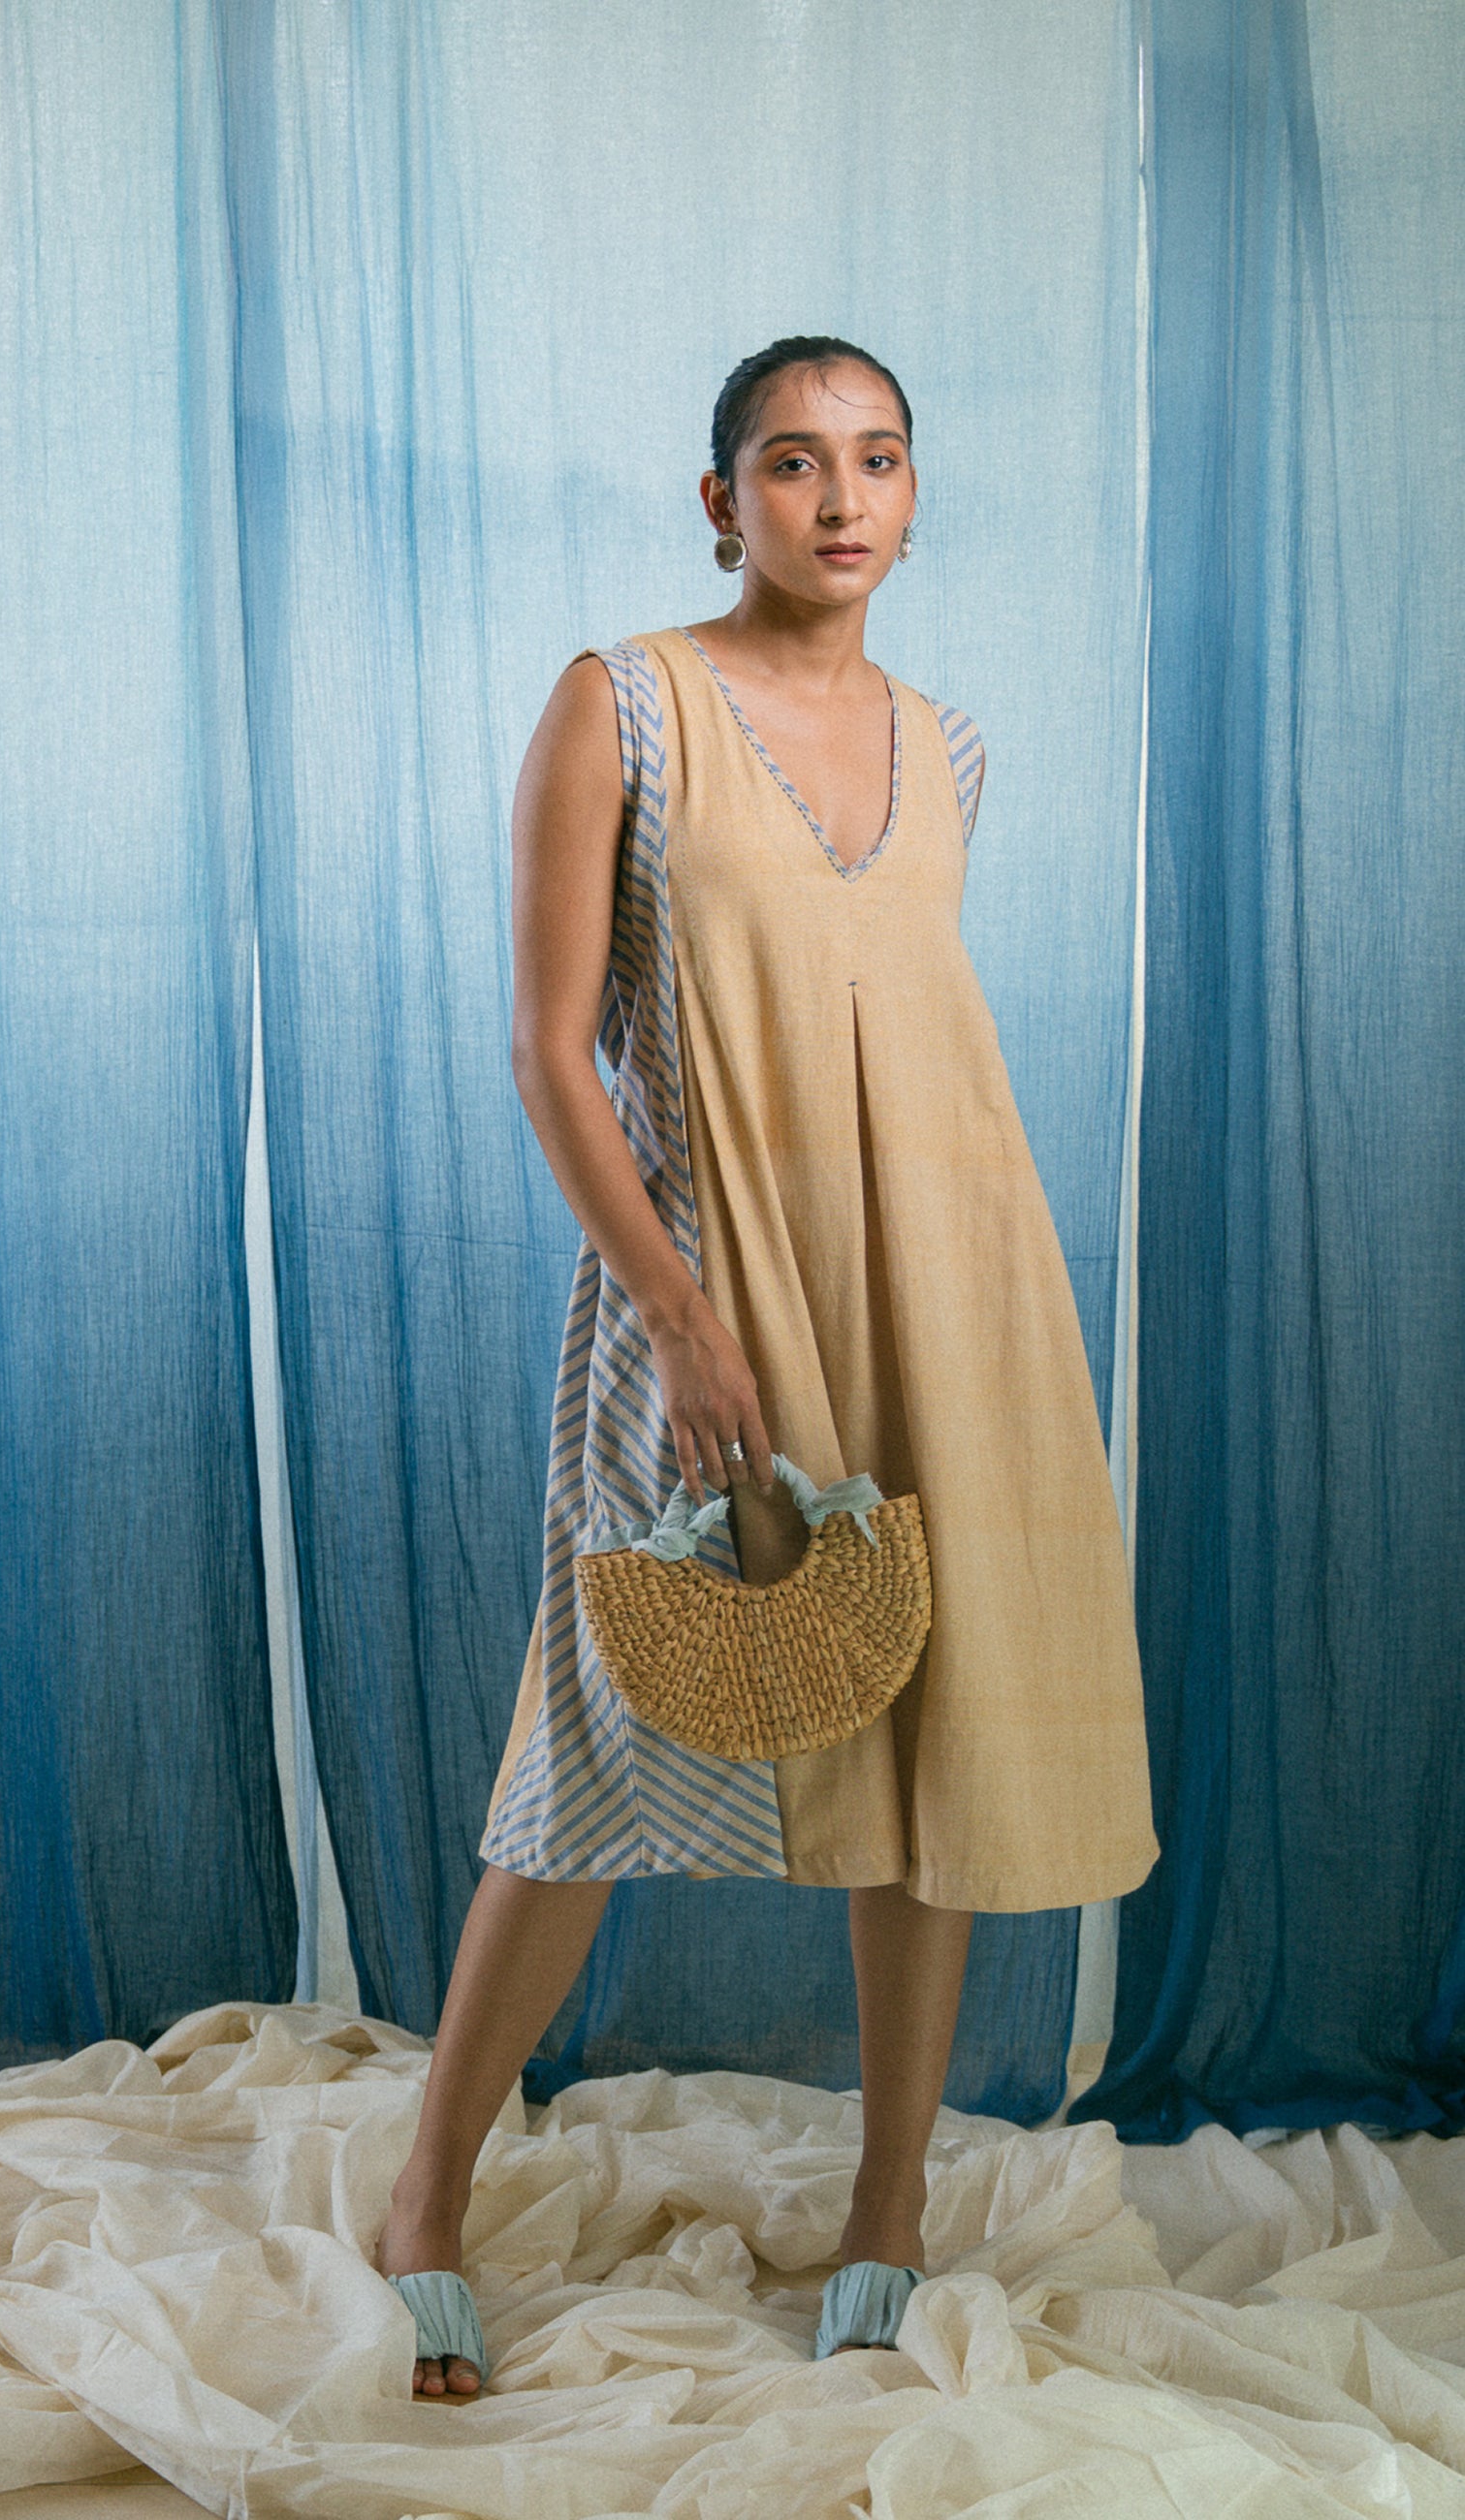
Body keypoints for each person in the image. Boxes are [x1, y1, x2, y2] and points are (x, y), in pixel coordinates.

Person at [378, 335, 1159, 2399]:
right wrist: (678, 1310)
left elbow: (904, 1041)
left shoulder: (951, 745)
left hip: (947, 1286)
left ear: (912, 494)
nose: (841, 497)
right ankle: (427, 2190)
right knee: (588, 1747)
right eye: (795, 462)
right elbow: (553, 1050)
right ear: (721, 501)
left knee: (925, 1741)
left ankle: (889, 2205)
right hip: (701, 1282)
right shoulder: (621, 700)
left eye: (878, 459)